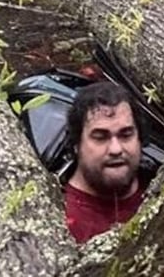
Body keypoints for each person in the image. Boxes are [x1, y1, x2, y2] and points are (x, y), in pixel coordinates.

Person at [63, 81, 144, 243]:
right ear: (77, 145)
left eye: (126, 135)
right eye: (100, 137)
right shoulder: (59, 218)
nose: (115, 149)